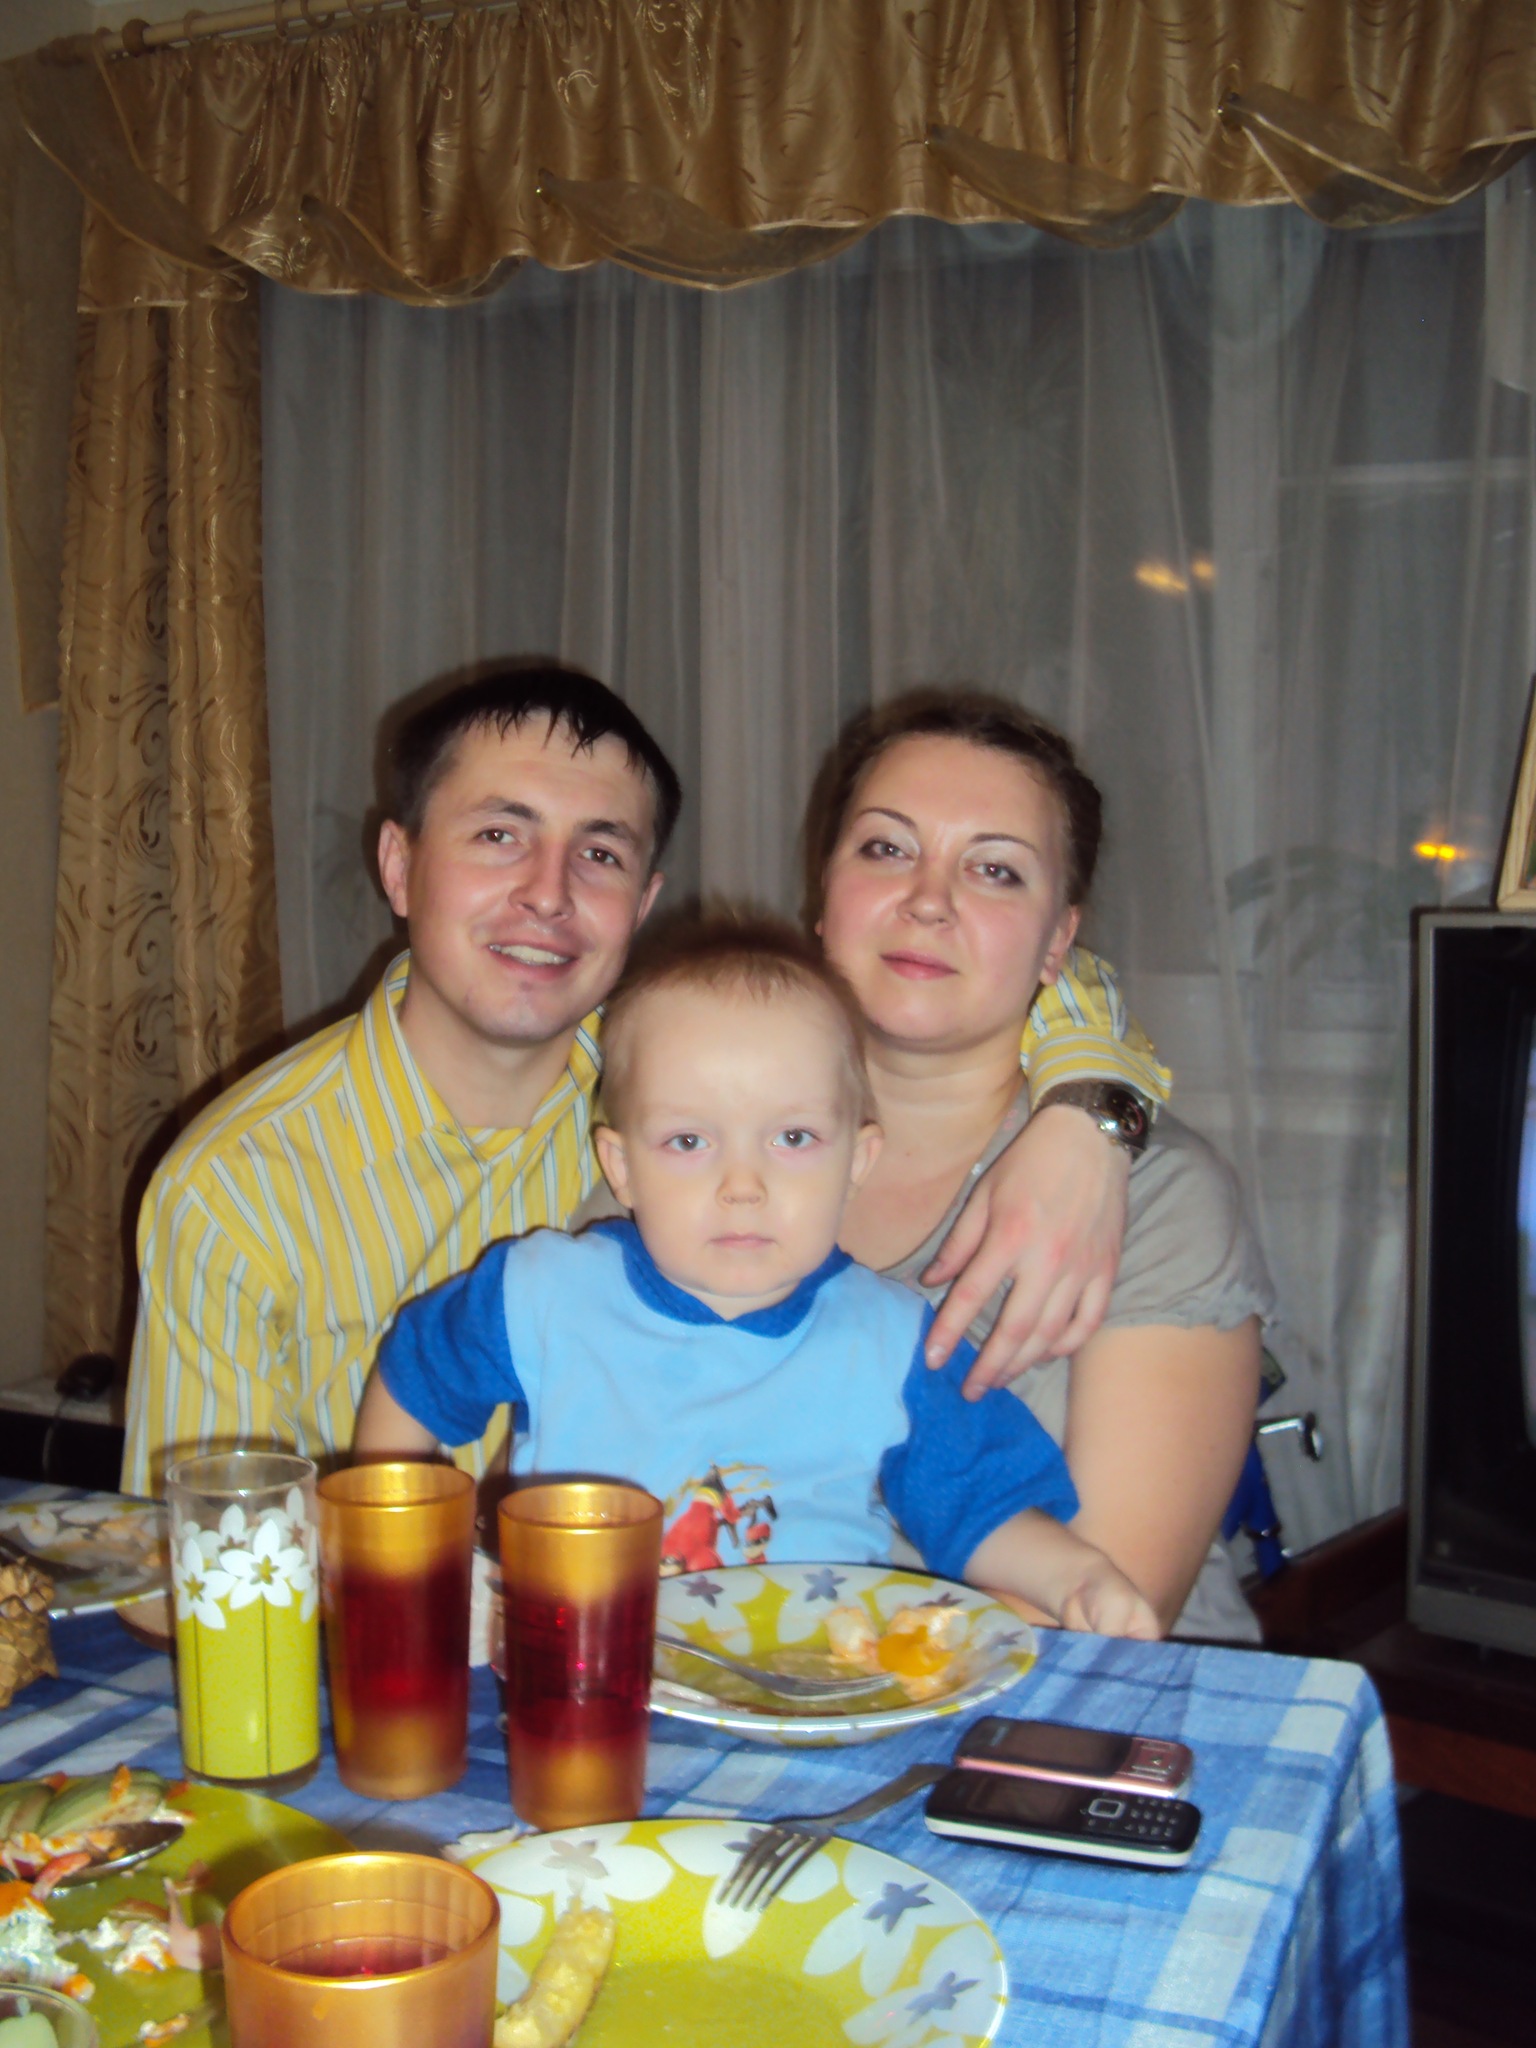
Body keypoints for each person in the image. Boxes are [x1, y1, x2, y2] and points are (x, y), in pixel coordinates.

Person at [122, 666, 1167, 1497]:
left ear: (646, 898)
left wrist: (1090, 1116)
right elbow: (188, 1571)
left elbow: (1013, 961)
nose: (547, 894)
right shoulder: (237, 1185)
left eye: (601, 854)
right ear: (399, 866)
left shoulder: (686, 1082)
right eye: (499, 835)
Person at [354, 919, 1160, 1638]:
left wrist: (1077, 1577)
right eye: (689, 1142)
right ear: (620, 1167)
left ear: (858, 1161)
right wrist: (397, 1560)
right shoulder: (541, 1292)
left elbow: (978, 1512)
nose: (743, 1186)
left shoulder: (890, 1343)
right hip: (580, 1689)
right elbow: (413, 1380)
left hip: (806, 1698)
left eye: (793, 1138)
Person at [814, 691, 1273, 1640]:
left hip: (1069, 1709)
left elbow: (1103, 1619)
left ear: (1060, 939)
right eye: (886, 848)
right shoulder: (686, 1149)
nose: (928, 900)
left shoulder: (1159, 1197)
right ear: (825, 894)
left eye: (995, 870)